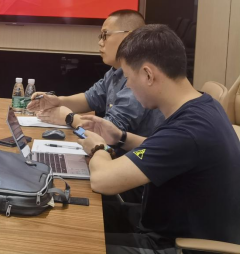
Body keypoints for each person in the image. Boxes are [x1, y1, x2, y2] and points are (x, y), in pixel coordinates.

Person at [78, 24, 240, 253]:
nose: (128, 86)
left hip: (174, 245)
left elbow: (102, 180)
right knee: (76, 216)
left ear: (148, 74)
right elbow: (165, 149)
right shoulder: (203, 106)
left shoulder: (188, 130)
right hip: (161, 224)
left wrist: (99, 147)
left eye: (128, 78)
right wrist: (120, 137)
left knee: (71, 244)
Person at [27, 10, 164, 137]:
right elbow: (90, 98)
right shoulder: (116, 71)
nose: (100, 42)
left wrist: (69, 118)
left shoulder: (140, 75)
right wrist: (58, 101)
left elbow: (111, 131)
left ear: (129, 37)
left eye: (105, 35)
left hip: (139, 154)